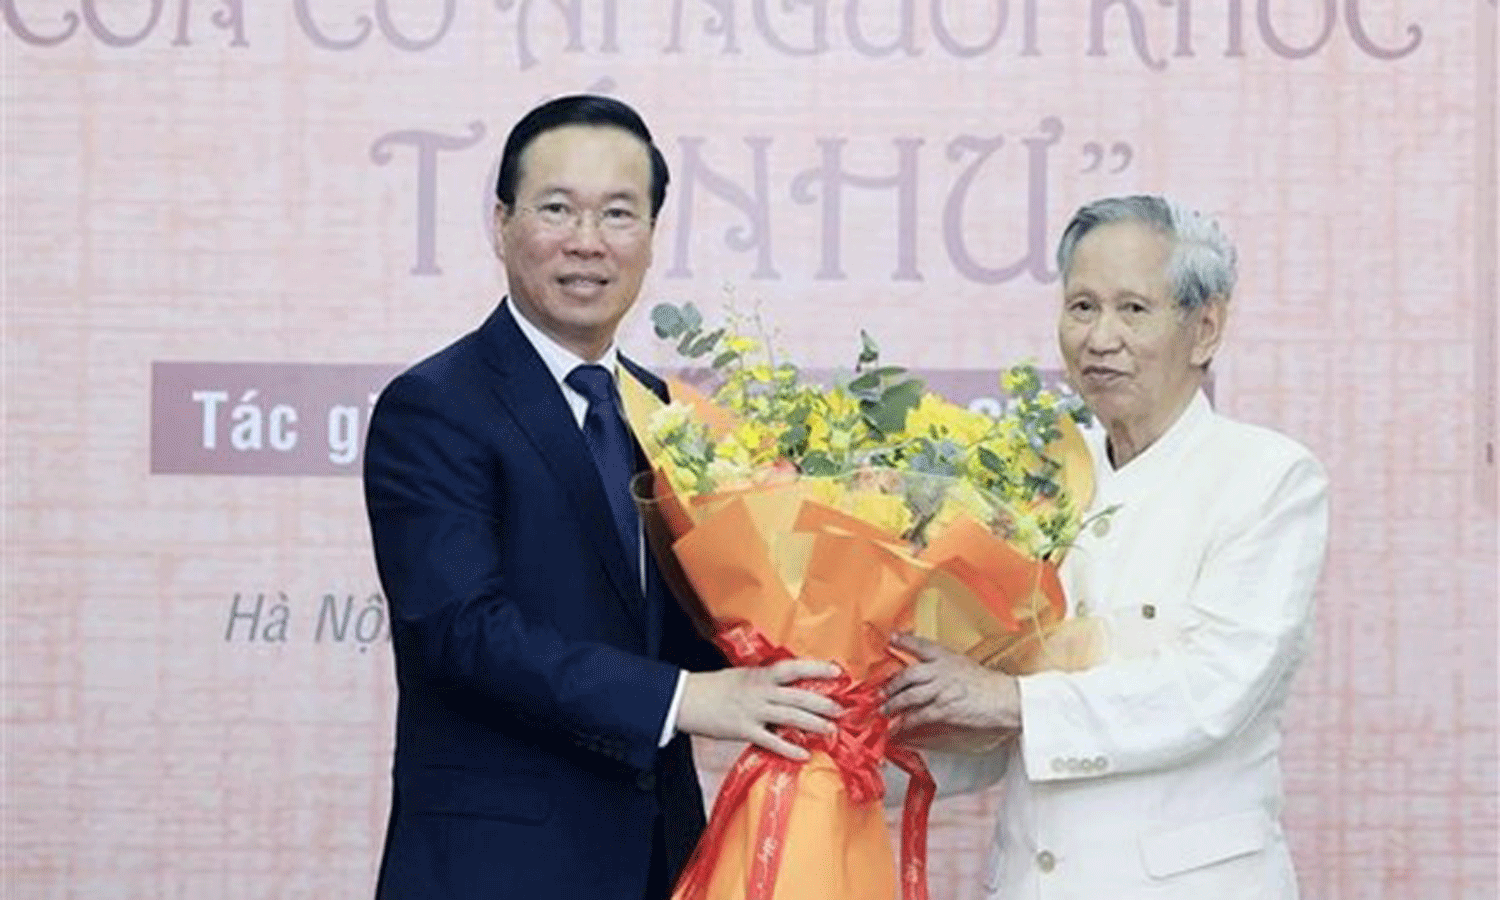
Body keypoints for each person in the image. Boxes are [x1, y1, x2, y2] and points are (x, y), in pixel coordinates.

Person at [362, 94, 842, 900]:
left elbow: (688, 623)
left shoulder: (666, 414)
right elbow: (464, 632)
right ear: (500, 222)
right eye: (557, 209)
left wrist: (827, 649)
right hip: (495, 870)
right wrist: (688, 699)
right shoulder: (436, 406)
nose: (587, 242)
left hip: (661, 858)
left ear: (653, 236)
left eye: (619, 214)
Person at [883, 194, 1330, 899]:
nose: (1099, 338)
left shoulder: (1269, 479)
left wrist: (1008, 701)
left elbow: (1212, 690)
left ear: (1205, 328)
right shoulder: (1042, 480)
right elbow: (987, 727)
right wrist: (854, 738)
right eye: (1082, 307)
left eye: (1133, 310)